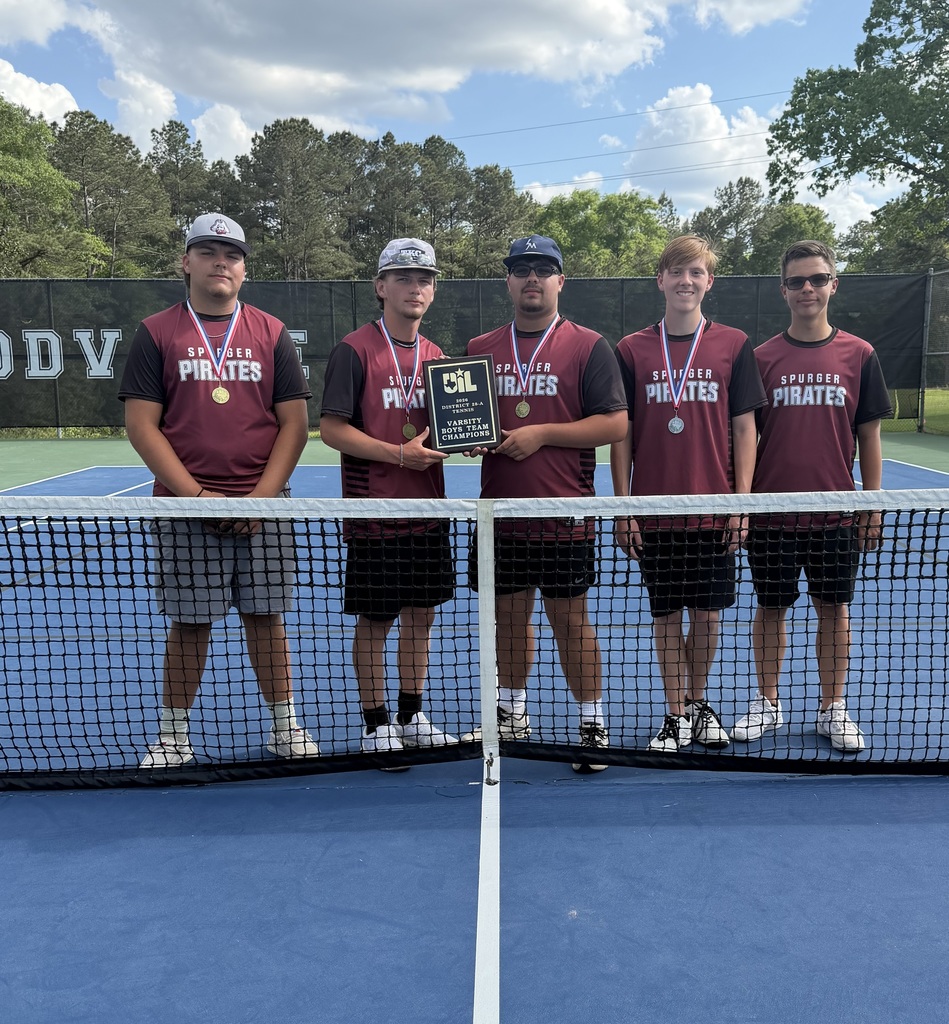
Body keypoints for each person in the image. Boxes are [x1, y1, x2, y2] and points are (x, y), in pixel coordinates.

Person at [120, 212, 318, 768]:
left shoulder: (271, 332)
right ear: (187, 261)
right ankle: (174, 738)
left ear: (244, 268)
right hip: (185, 510)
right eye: (208, 252)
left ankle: (286, 728)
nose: (220, 262)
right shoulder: (156, 332)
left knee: (266, 618)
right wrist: (195, 497)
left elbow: (295, 425)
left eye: (231, 254)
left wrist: (261, 499)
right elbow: (141, 425)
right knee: (191, 623)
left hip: (265, 505)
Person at [465, 235, 628, 773]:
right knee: (509, 620)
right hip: (500, 515)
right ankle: (511, 710)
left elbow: (614, 423)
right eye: (521, 268)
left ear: (561, 280)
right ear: (509, 281)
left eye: (543, 269)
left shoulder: (589, 346)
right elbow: (464, 424)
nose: (532, 277)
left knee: (570, 621)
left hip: (566, 514)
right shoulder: (479, 347)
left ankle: (591, 721)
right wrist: (467, 436)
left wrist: (540, 434)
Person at [733, 240, 891, 752]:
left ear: (833, 285)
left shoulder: (860, 354)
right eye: (798, 280)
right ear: (784, 290)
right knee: (771, 608)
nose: (808, 288)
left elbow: (868, 435)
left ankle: (832, 708)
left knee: (833, 609)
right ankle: (768, 704)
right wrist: (744, 506)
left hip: (836, 515)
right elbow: (746, 437)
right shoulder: (760, 358)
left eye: (817, 279)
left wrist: (872, 504)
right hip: (771, 514)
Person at [611, 234, 766, 753]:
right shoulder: (631, 349)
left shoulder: (733, 344)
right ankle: (675, 714)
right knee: (666, 616)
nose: (686, 280)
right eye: (676, 271)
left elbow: (746, 429)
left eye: (695, 272)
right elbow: (623, 434)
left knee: (708, 615)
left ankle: (697, 706)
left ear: (709, 281)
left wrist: (741, 505)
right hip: (654, 512)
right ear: (661, 281)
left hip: (714, 512)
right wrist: (624, 507)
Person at [320, 238, 457, 758]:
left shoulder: (439, 358)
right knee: (376, 621)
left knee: (422, 615)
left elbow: (449, 430)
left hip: (428, 511)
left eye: (424, 279)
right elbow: (332, 430)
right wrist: (397, 455)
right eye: (402, 278)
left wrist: (472, 438)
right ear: (381, 287)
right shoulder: (353, 351)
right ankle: (375, 724)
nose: (414, 287)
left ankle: (412, 713)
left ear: (434, 290)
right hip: (374, 514)